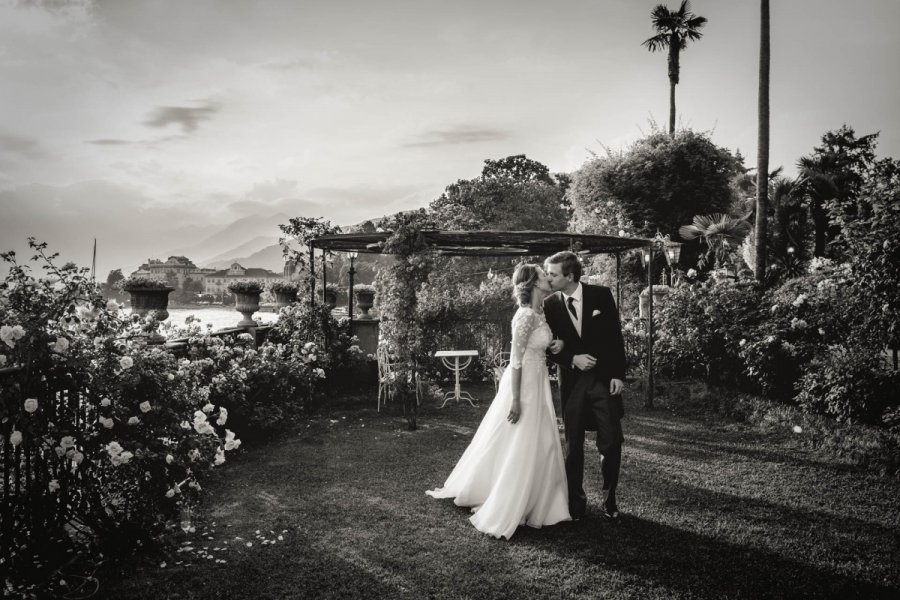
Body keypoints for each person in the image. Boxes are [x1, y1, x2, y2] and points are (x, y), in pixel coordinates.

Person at [426, 264, 570, 539]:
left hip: (538, 382)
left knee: (543, 440)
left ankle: (543, 500)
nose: (547, 277)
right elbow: (515, 362)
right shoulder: (525, 316)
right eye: (543, 275)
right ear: (532, 283)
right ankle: (508, 496)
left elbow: (539, 347)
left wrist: (558, 345)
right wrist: (515, 399)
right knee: (521, 439)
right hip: (523, 385)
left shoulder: (540, 313)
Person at [543, 251, 626, 520]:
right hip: (573, 383)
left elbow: (615, 336)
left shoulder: (601, 295)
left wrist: (617, 374)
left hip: (604, 380)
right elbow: (545, 346)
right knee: (573, 445)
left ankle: (609, 499)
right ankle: (576, 503)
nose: (548, 278)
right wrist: (571, 358)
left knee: (611, 442)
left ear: (570, 276)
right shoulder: (549, 304)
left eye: (553, 274)